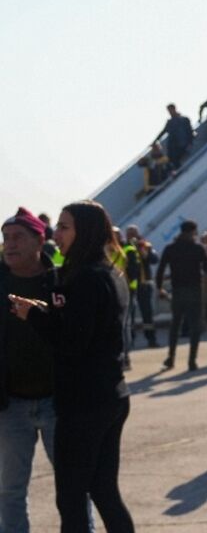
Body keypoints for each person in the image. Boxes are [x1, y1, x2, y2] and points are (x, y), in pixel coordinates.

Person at [9, 201, 134, 533]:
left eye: (65, 227)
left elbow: (71, 345)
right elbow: (84, 327)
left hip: (84, 404)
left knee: (72, 496)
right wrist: (46, 311)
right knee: (104, 491)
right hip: (110, 395)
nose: (56, 234)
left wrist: (33, 316)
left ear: (86, 232)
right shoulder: (108, 272)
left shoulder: (86, 278)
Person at [0, 208, 65, 533]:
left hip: (59, 404)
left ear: (40, 240)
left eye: (17, 237)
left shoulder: (62, 283)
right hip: (10, 406)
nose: (9, 245)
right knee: (10, 491)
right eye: (5, 238)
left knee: (72, 488)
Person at [155, 220, 207, 372]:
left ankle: (170, 358)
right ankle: (192, 361)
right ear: (193, 231)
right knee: (195, 326)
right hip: (194, 291)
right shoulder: (198, 248)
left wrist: (159, 288)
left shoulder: (170, 248)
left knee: (175, 325)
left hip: (178, 291)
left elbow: (160, 270)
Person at [124, 227, 159, 348]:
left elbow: (154, 259)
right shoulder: (124, 247)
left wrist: (144, 252)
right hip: (130, 285)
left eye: (134, 234)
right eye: (130, 234)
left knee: (147, 313)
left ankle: (151, 339)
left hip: (144, 284)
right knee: (130, 314)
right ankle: (130, 340)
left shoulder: (145, 245)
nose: (132, 237)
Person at [155, 103, 194, 168]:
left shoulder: (184, 119)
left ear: (174, 109)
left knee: (175, 157)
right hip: (173, 146)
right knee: (170, 158)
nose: (169, 112)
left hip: (182, 144)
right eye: (168, 111)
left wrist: (190, 142)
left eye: (170, 110)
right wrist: (155, 141)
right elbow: (163, 132)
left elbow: (189, 131)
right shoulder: (170, 122)